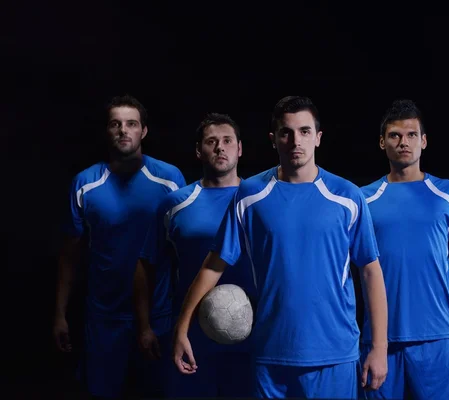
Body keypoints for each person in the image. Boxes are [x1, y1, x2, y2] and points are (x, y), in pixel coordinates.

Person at [172, 95, 389, 399]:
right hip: (271, 353)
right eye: (286, 132)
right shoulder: (250, 196)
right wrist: (182, 328)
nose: (295, 140)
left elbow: (370, 272)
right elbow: (214, 264)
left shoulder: (346, 196)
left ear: (318, 138)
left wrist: (379, 348)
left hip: (334, 353)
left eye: (304, 131)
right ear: (274, 140)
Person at [53, 94, 186, 399]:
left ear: (144, 131)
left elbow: (185, 247)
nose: (123, 130)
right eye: (116, 124)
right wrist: (59, 313)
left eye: (131, 124)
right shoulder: (85, 183)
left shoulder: (170, 179)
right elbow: (69, 255)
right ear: (107, 131)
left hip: (160, 316)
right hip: (104, 317)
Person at [360, 99, 449, 400]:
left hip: (437, 335)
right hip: (381, 339)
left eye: (412, 135)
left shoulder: (448, 194)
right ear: (382, 142)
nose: (404, 142)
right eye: (395, 135)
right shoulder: (363, 200)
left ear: (424, 142)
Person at [134, 112, 256, 398]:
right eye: (211, 142)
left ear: (240, 148)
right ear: (199, 151)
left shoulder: (260, 201)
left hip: (254, 339)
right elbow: (146, 265)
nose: (220, 148)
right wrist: (144, 327)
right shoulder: (175, 204)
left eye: (227, 141)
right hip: (190, 339)